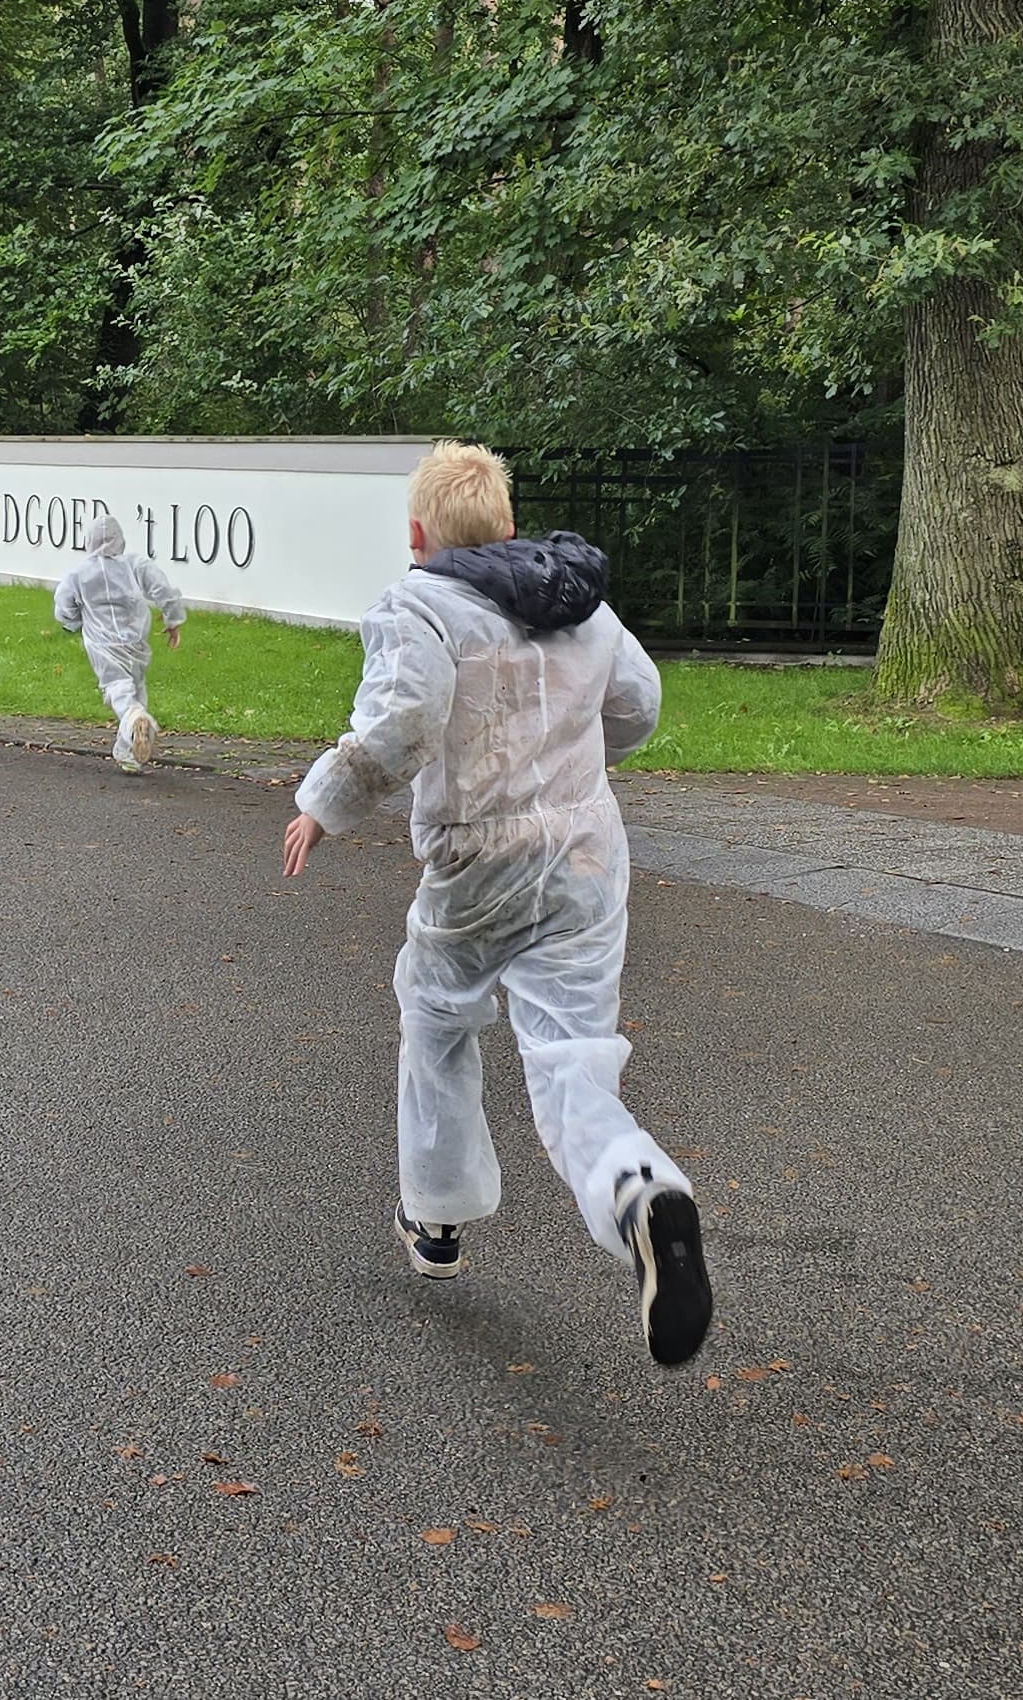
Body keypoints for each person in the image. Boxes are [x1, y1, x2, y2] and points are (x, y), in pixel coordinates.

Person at [278, 441, 710, 1369]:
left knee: (436, 1014)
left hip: (480, 855)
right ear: (510, 526)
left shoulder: (419, 606)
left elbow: (401, 726)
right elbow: (638, 703)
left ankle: (436, 1216)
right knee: (568, 1055)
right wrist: (575, 770)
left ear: (417, 533)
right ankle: (639, 1187)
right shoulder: (578, 602)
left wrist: (323, 804)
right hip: (590, 855)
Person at [53, 511, 185, 773]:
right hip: (135, 640)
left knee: (118, 689)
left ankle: (136, 721)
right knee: (136, 688)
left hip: (102, 644)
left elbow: (63, 607)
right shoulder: (135, 564)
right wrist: (173, 620)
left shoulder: (78, 573)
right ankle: (128, 753)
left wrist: (74, 621)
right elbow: (163, 590)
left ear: (89, 540)